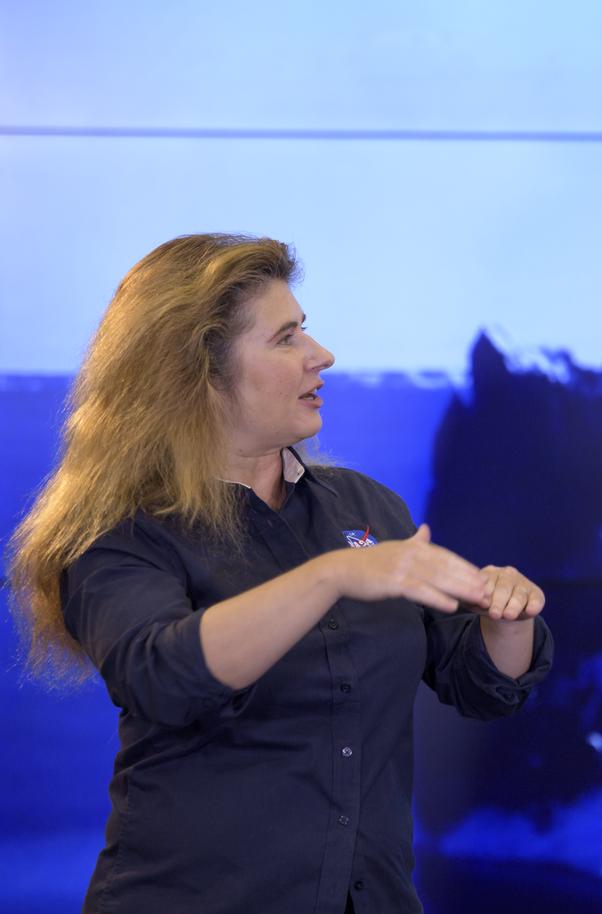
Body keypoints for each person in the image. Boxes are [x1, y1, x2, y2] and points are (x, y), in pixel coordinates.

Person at [7, 233, 553, 914]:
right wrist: (329, 577)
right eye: (286, 338)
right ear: (198, 373)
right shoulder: (121, 532)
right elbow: (162, 676)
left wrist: (508, 623)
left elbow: (476, 686)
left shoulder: (365, 506)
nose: (320, 355)